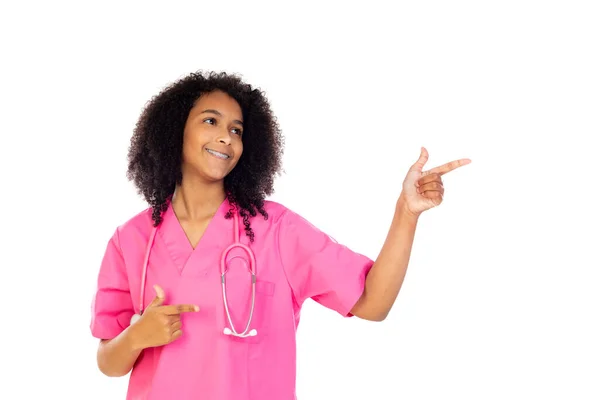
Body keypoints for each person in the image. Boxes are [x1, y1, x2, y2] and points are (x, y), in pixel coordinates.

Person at [90, 70, 470, 400]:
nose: (226, 138)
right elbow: (108, 361)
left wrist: (406, 214)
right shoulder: (132, 240)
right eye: (211, 121)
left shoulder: (275, 229)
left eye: (236, 130)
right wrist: (137, 336)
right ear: (175, 131)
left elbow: (373, 303)